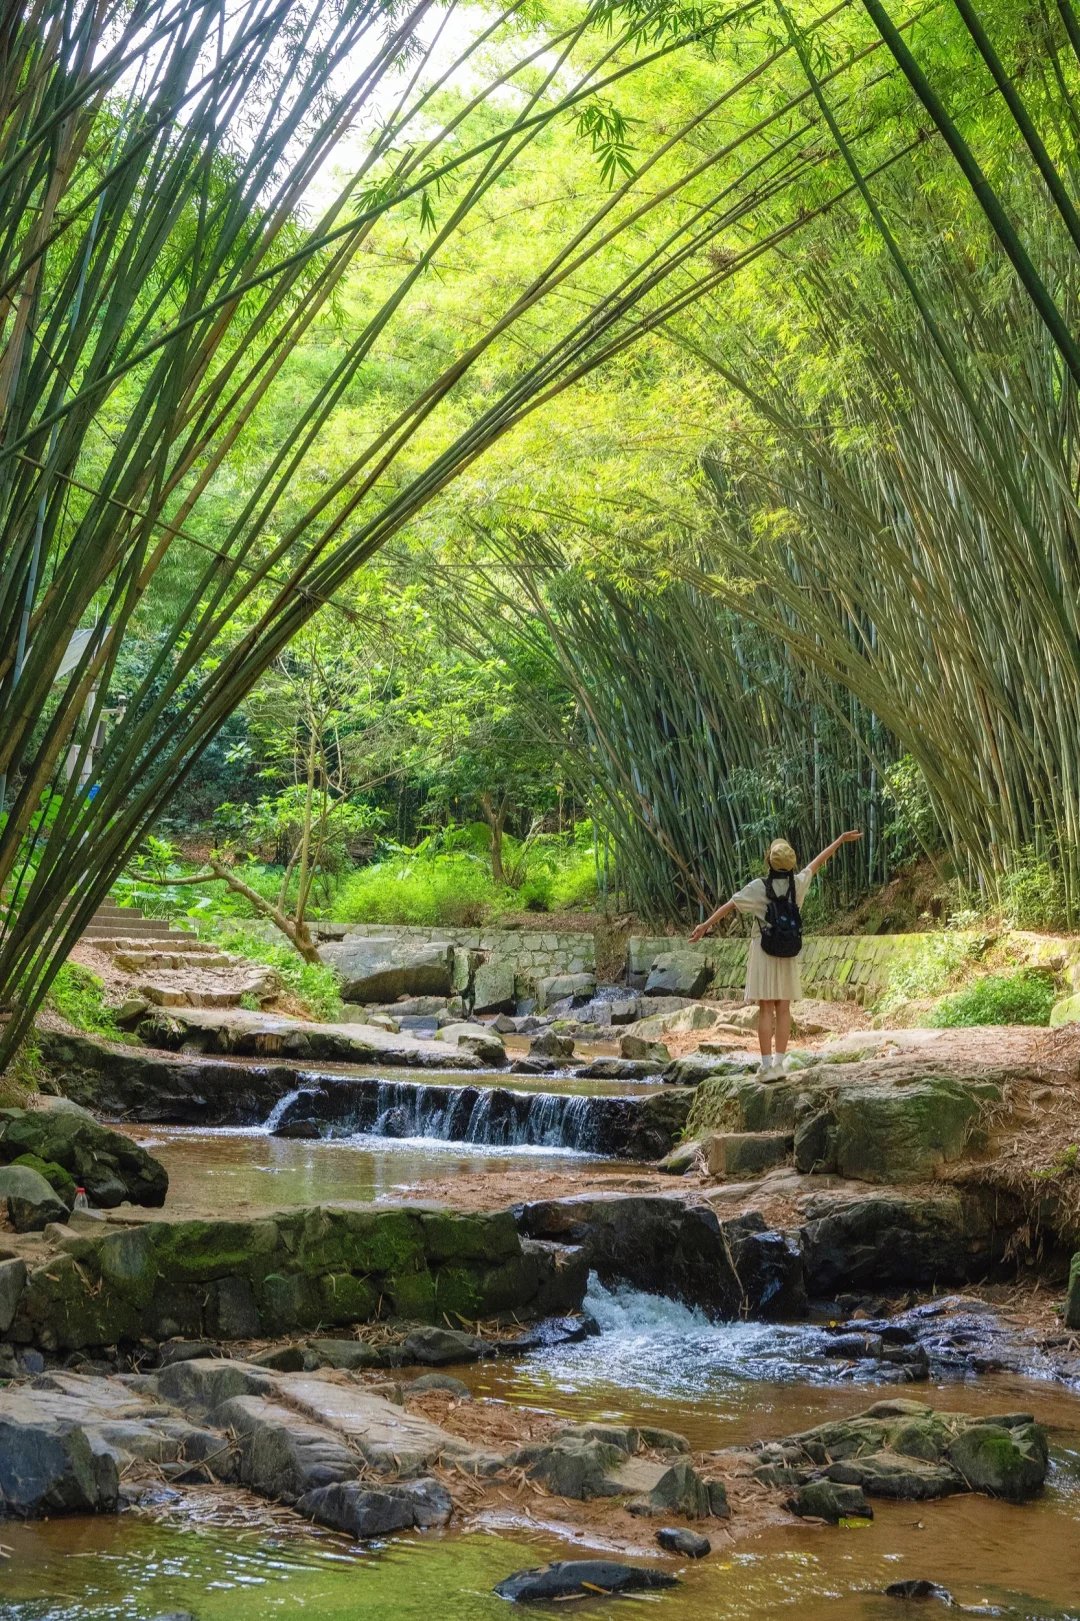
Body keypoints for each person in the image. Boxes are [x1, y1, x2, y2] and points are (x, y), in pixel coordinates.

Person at [688, 831, 862, 1075]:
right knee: (783, 1009)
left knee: (766, 1009)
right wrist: (840, 839)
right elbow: (818, 862)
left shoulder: (758, 887)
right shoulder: (798, 884)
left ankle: (766, 1065)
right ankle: (780, 1065)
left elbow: (730, 906)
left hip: (764, 950)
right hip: (788, 951)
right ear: (791, 863)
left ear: (768, 860)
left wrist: (704, 926)